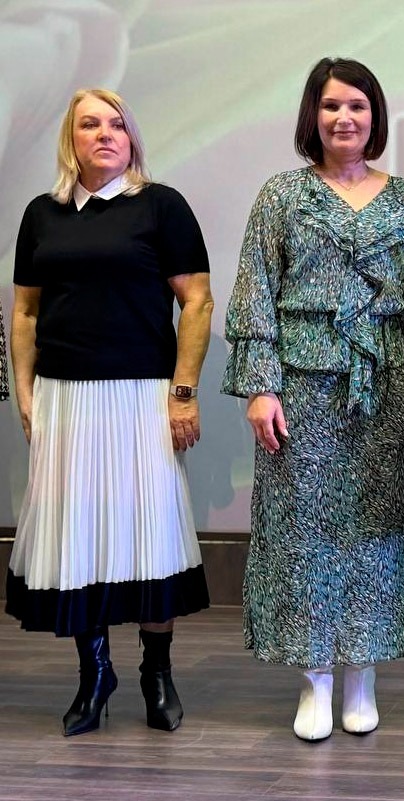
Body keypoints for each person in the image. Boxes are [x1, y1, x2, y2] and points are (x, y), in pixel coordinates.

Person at [222, 57, 404, 742]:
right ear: (311, 117)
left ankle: (362, 675)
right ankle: (314, 677)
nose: (344, 118)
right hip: (302, 388)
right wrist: (260, 386)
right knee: (304, 532)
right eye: (331, 106)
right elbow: (255, 291)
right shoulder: (281, 196)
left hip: (387, 389)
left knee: (378, 528)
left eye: (357, 106)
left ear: (376, 116)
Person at [7, 88, 214, 736]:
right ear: (70, 139)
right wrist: (25, 393)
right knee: (79, 537)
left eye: (117, 124)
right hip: (65, 396)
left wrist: (183, 391)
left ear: (132, 138)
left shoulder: (160, 206)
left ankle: (157, 672)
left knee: (150, 532)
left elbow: (198, 301)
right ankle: (95, 672)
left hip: (142, 395)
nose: (105, 133)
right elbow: (25, 312)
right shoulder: (42, 214)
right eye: (90, 124)